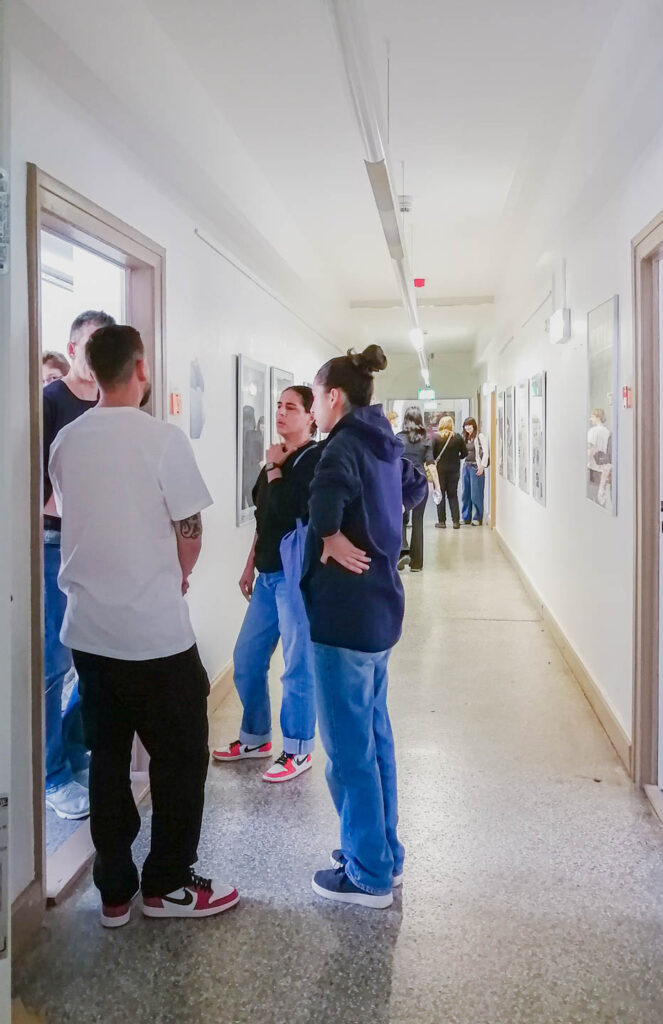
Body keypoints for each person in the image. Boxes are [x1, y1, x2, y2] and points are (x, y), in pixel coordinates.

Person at [49, 324, 238, 927]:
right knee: (181, 761)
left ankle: (113, 892)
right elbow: (191, 530)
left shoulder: (66, 443)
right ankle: (166, 886)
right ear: (139, 369)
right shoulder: (163, 440)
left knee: (106, 758)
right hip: (156, 637)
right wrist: (179, 575)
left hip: (90, 636)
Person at [302, 345, 427, 908]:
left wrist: (329, 534)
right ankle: (384, 853)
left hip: (344, 619)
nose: (313, 410)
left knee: (349, 751)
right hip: (379, 615)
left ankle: (368, 873)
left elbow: (323, 499)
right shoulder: (384, 444)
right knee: (375, 739)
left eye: (315, 397)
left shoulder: (343, 446)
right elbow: (417, 487)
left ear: (334, 397)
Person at [212, 386, 321, 782]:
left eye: (291, 407)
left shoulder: (314, 459)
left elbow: (293, 507)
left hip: (295, 577)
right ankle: (256, 736)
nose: (281, 412)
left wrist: (275, 467)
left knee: (297, 666)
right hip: (267, 575)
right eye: (278, 405)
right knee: (247, 658)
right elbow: (265, 517)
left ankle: (298, 748)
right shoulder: (271, 461)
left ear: (310, 416)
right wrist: (249, 564)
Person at [42, 310, 115, 820]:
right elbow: (37, 489)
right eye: (90, 345)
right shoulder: (51, 402)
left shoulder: (110, 406)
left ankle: (73, 748)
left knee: (92, 659)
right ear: (72, 349)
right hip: (52, 547)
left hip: (99, 549)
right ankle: (51, 774)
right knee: (54, 663)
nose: (96, 355)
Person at [396, 406, 436, 573]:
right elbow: (430, 464)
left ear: (405, 420)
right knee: (418, 521)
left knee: (400, 519)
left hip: (400, 483)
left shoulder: (398, 438)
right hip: (420, 485)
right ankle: (417, 563)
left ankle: (400, 554)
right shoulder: (426, 439)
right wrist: (437, 487)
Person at [432, 416, 467, 529]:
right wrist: (456, 457)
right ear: (452, 424)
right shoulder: (458, 437)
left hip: (440, 471)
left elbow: (431, 454)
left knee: (440, 495)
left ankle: (441, 522)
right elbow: (465, 453)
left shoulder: (436, 438)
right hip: (454, 470)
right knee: (453, 495)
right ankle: (456, 522)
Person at [460, 417, 489, 525]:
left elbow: (486, 452)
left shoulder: (480, 436)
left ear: (474, 426)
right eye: (466, 425)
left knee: (476, 494)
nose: (467, 427)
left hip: (476, 467)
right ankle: (466, 517)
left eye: (469, 425)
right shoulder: (465, 437)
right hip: (466, 467)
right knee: (465, 493)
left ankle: (477, 517)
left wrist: (482, 466)